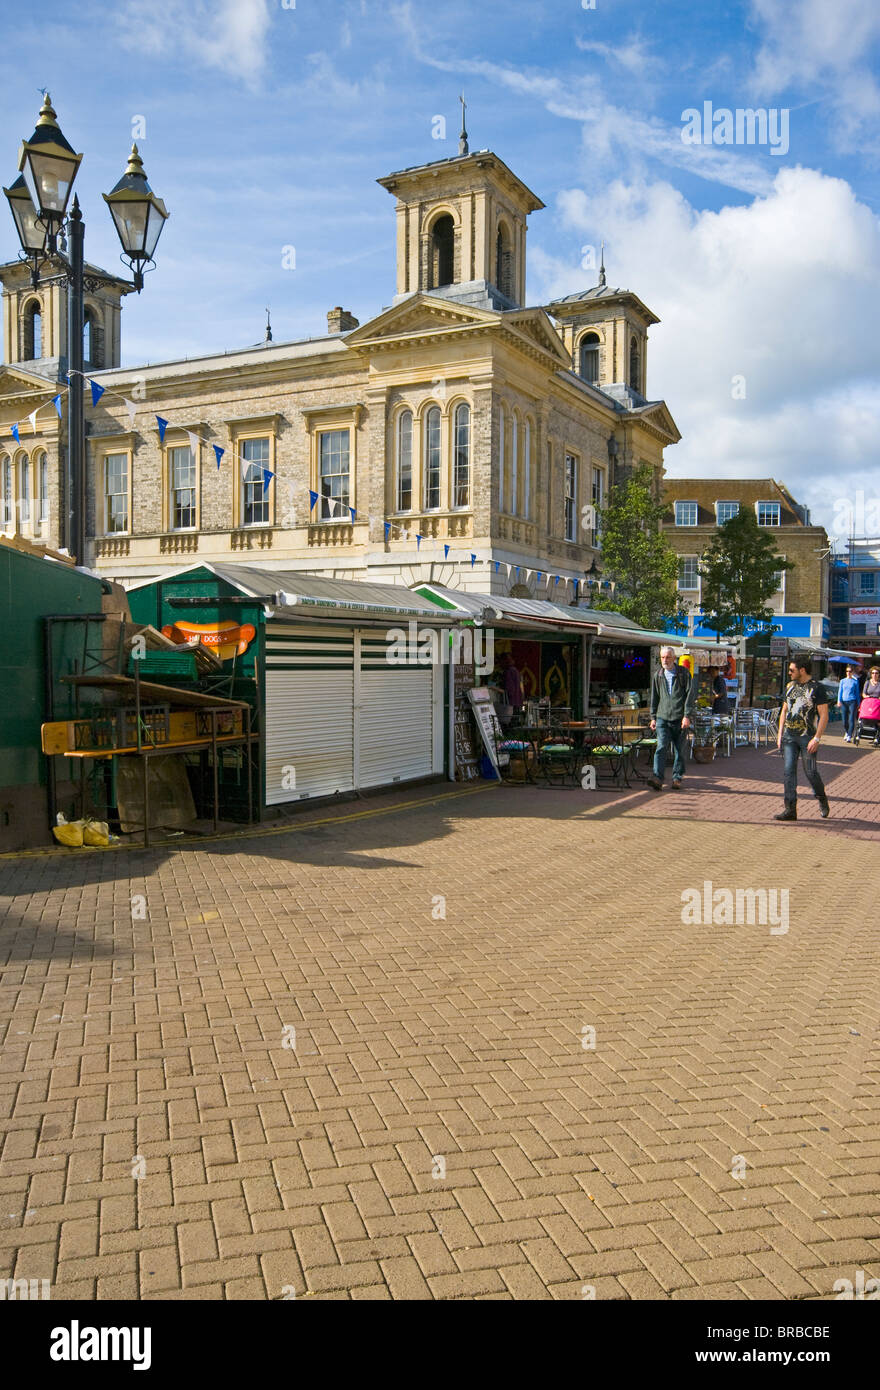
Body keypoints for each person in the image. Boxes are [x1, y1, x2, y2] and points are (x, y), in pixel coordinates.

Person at [775, 656, 830, 821]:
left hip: (807, 738)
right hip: (789, 737)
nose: (789, 673)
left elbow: (824, 715)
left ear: (802, 670)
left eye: (792, 670)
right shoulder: (790, 686)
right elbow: (784, 710)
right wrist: (779, 735)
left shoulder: (817, 688)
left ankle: (822, 798)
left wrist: (817, 739)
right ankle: (790, 809)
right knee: (788, 772)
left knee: (811, 772)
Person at [647, 645, 697, 791]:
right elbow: (654, 697)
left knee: (679, 750)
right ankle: (657, 777)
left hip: (679, 718)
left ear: (674, 658)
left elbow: (690, 695)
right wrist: (653, 717)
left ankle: (677, 778)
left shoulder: (683, 674)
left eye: (668, 657)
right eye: (662, 657)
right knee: (661, 747)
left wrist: (687, 716)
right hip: (662, 717)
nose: (665, 660)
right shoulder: (658, 675)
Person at [838, 664, 861, 743]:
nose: (848, 672)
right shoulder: (842, 681)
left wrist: (858, 704)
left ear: (852, 672)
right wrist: (839, 701)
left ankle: (849, 735)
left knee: (851, 719)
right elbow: (840, 692)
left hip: (852, 701)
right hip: (844, 701)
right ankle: (847, 731)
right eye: (847, 671)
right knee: (844, 720)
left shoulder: (855, 681)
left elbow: (857, 693)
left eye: (850, 671)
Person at [498, 651, 524, 719]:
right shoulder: (515, 670)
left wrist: (494, 688)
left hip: (510, 705)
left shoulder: (508, 672)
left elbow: (509, 691)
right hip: (518, 703)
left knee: (509, 725)